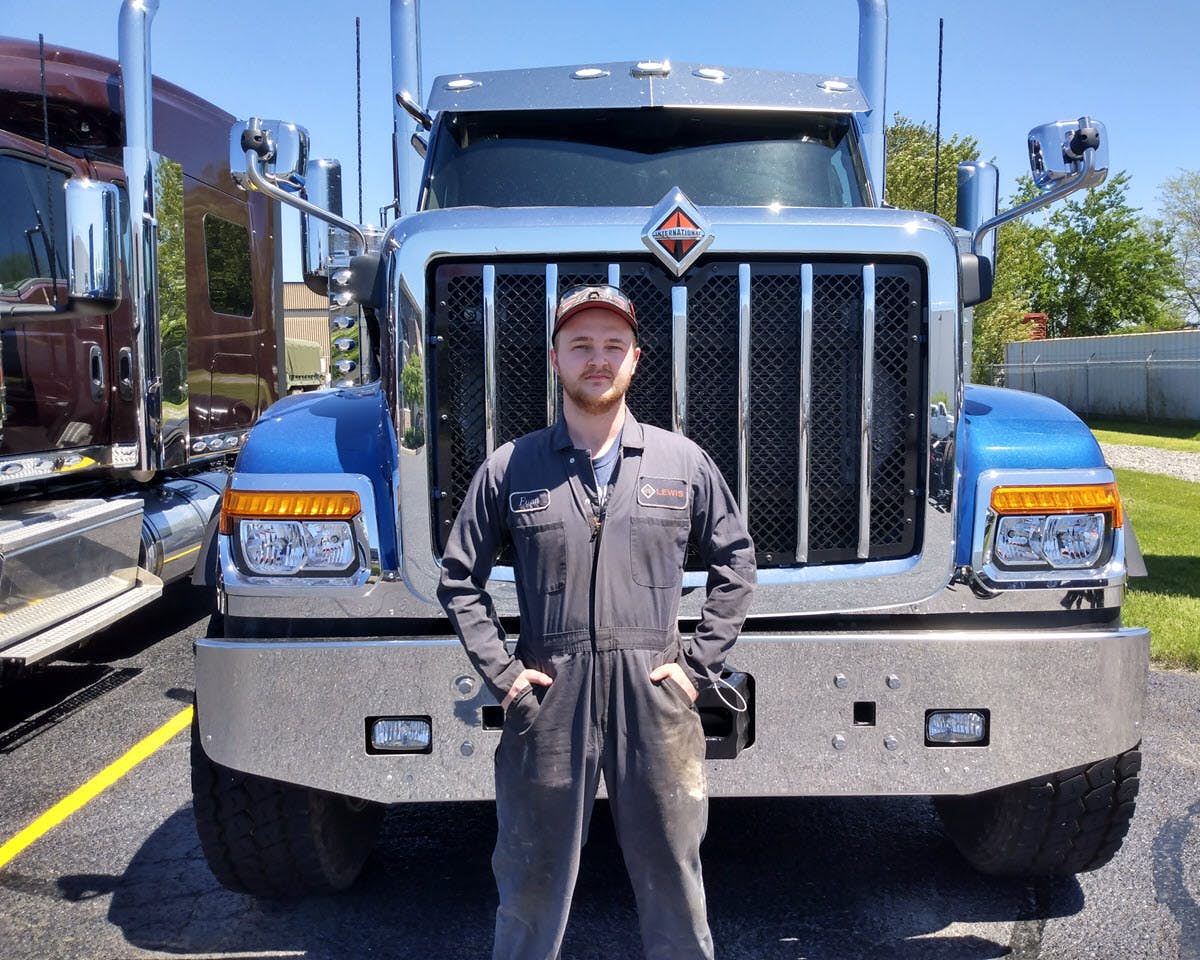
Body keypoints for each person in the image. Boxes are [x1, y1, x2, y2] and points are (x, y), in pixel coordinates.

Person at [437, 283, 756, 960]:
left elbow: (736, 563)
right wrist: (504, 675)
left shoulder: (682, 463)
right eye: (581, 344)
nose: (597, 358)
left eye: (613, 345)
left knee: (674, 876)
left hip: (655, 694)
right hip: (550, 697)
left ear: (636, 360)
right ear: (555, 359)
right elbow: (459, 577)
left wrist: (697, 670)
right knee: (530, 879)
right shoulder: (511, 468)